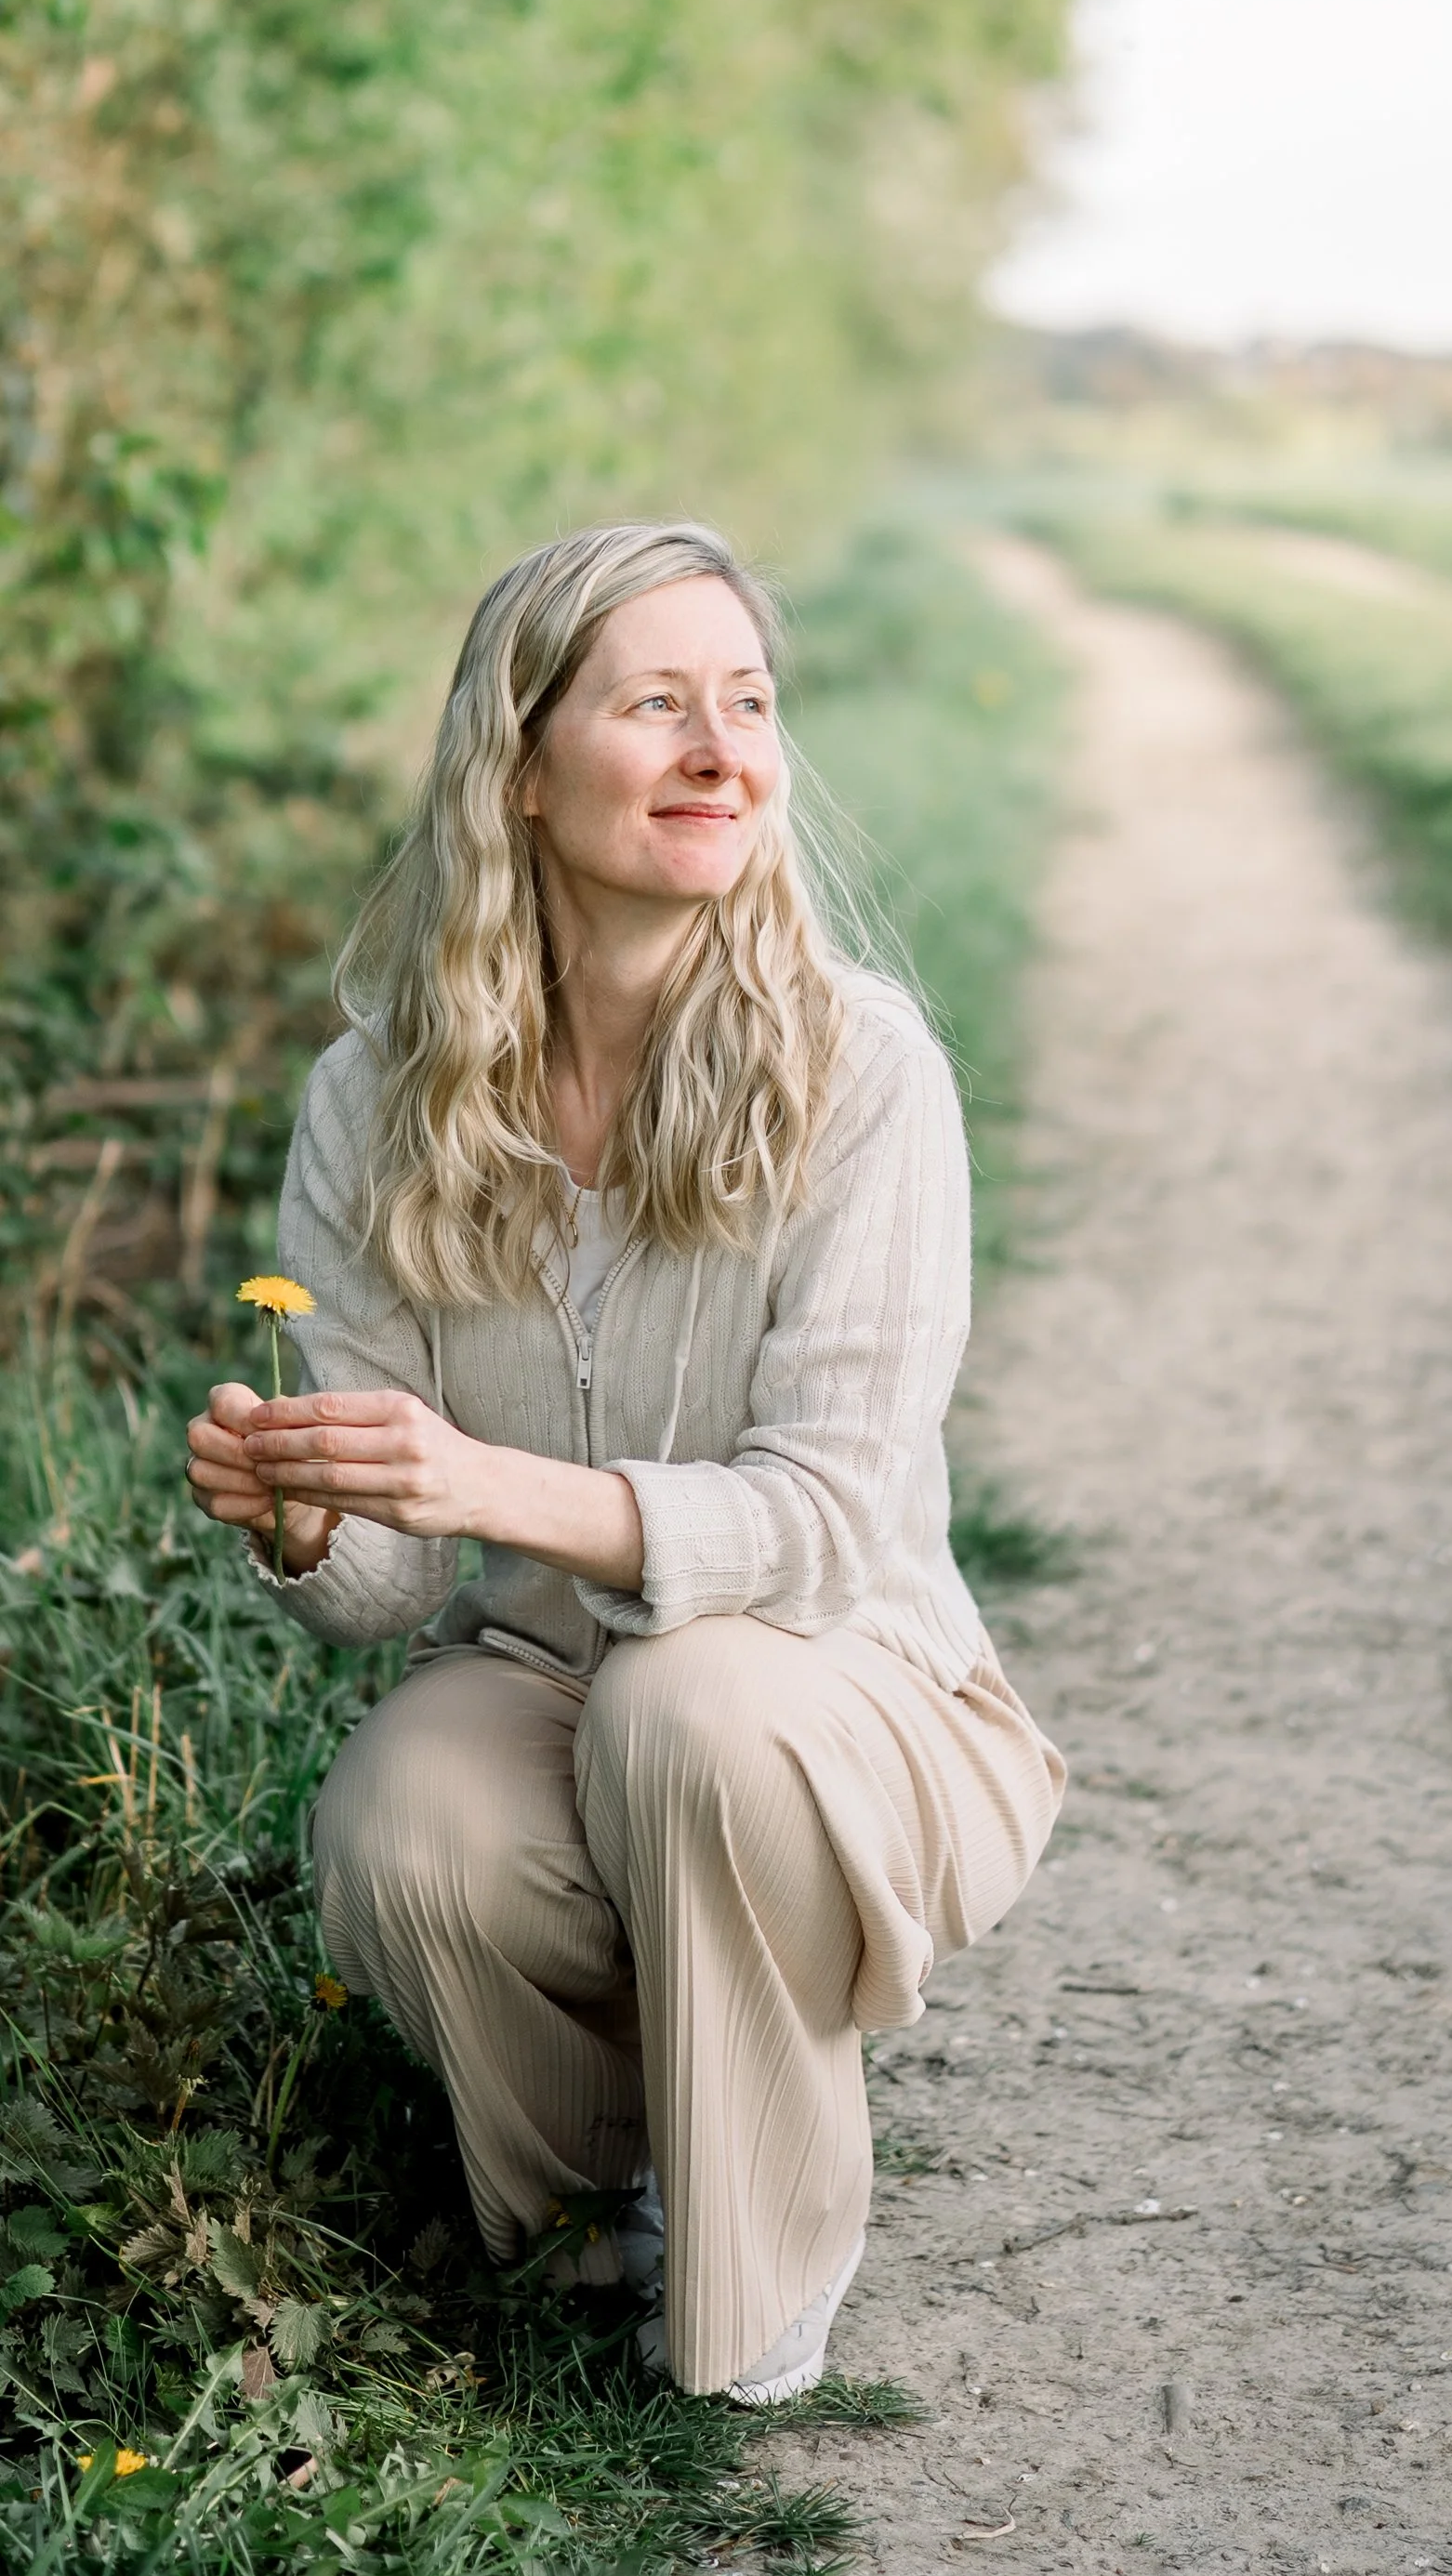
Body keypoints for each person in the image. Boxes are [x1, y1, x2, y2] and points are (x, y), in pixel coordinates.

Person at [184, 520, 1064, 2402]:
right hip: (547, 1686)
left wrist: (481, 1484)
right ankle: (599, 2207)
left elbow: (826, 1518)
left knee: (690, 1709)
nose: (723, 752)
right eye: (655, 703)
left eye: (747, 706)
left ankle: (757, 2285)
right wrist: (309, 1510)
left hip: (855, 1695)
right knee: (400, 1819)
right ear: (517, 758)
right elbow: (390, 1593)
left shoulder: (863, 1072)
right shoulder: (378, 1096)